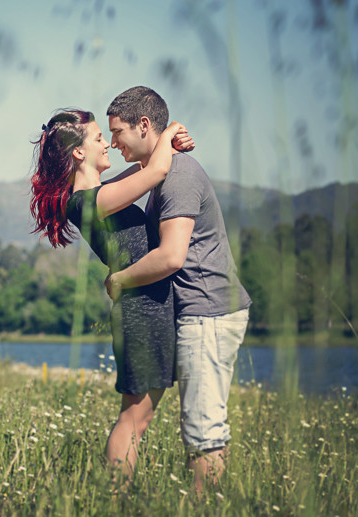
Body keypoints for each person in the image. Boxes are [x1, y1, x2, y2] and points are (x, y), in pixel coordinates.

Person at [103, 86, 252, 495]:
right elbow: (105, 194)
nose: (113, 143)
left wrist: (119, 280)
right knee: (199, 425)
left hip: (208, 311)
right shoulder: (160, 168)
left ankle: (205, 506)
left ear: (143, 125)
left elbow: (171, 257)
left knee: (203, 429)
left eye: (117, 133)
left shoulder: (178, 176)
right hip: (199, 311)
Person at [29, 109, 193, 478]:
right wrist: (168, 133)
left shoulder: (96, 194)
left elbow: (144, 168)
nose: (108, 144)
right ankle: (115, 495)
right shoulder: (85, 202)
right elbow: (155, 172)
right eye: (99, 138)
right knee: (134, 418)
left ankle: (115, 493)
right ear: (79, 152)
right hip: (142, 313)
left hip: (146, 309)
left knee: (138, 416)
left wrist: (170, 145)